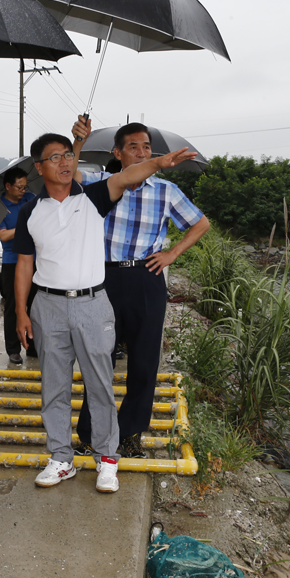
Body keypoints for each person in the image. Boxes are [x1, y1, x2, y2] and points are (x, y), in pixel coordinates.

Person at [15, 132, 197, 492]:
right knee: (54, 385)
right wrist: (21, 312)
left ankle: (106, 459)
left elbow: (127, 176)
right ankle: (61, 458)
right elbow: (24, 264)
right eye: (56, 157)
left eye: (69, 155)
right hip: (47, 305)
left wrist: (159, 163)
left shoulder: (93, 198)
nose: (66, 162)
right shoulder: (30, 211)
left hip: (92, 303)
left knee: (99, 383)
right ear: (39, 168)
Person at [71, 119, 211, 458]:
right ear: (116, 153)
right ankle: (90, 433)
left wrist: (172, 254)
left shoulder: (165, 191)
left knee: (145, 361)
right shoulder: (102, 183)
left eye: (147, 147)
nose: (142, 152)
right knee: (98, 358)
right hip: (103, 278)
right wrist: (76, 143)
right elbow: (69, 176)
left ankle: (131, 432)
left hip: (146, 278)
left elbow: (201, 223)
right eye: (133, 147)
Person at [0, 166, 36, 365]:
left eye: (25, 187)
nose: (23, 191)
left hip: (35, 259)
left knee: (35, 304)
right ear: (8, 186)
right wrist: (24, 226)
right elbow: (3, 235)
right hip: (12, 261)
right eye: (19, 187)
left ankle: (34, 345)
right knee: (14, 306)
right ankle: (13, 349)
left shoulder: (31, 198)